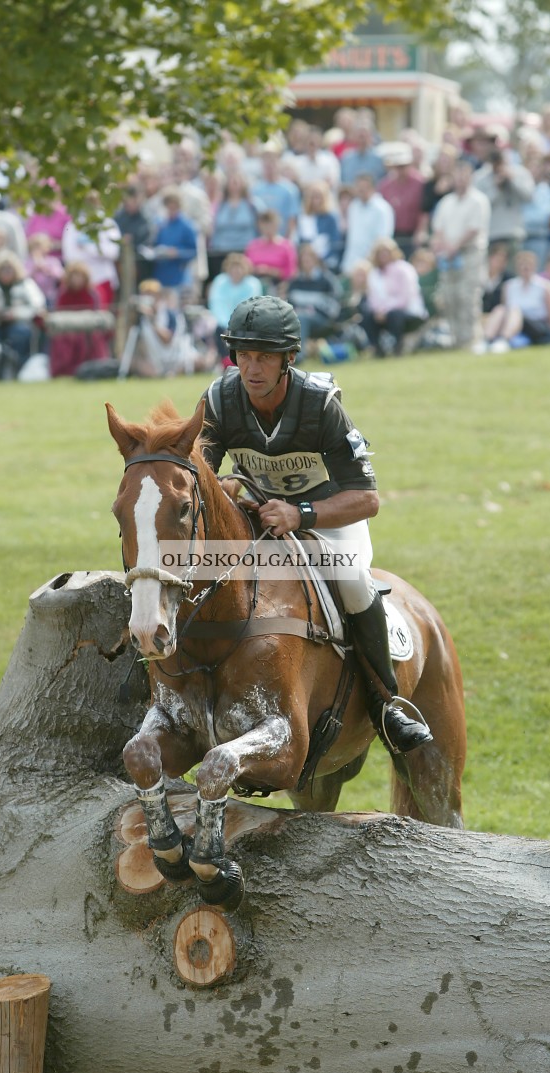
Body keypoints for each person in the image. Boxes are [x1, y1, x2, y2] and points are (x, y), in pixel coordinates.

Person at [200, 294, 432, 755]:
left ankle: (388, 705)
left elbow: (367, 499)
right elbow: (195, 477)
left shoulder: (320, 405)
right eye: (243, 356)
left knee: (350, 580)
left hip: (327, 520)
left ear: (289, 358)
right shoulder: (219, 400)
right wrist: (218, 487)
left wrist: (299, 514)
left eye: (264, 357)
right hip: (261, 519)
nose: (252, 369)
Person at [431, 158, 491, 350]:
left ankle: (471, 340)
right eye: (457, 175)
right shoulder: (446, 202)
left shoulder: (478, 201)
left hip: (470, 253)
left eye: (464, 175)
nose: (461, 180)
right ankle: (455, 340)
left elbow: (474, 229)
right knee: (450, 297)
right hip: (448, 257)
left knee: (468, 297)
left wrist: (453, 246)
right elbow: (438, 228)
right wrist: (443, 246)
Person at [481, 250, 550, 351]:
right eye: (522, 265)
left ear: (534, 266)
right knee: (500, 309)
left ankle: (504, 340)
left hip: (536, 325)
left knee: (515, 311)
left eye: (528, 264)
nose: (525, 268)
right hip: (514, 323)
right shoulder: (509, 286)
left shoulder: (544, 286)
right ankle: (486, 340)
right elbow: (505, 309)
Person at [361, 238, 427, 356]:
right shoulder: (374, 273)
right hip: (382, 313)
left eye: (386, 252)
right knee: (367, 316)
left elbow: (405, 298)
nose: (383, 256)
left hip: (407, 311)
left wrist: (385, 310)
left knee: (394, 315)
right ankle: (377, 349)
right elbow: (372, 298)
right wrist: (378, 311)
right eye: (380, 253)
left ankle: (398, 346)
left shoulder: (404, 269)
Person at [49, 262, 111, 378]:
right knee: (64, 338)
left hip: (88, 328)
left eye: (79, 277)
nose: (77, 280)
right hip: (67, 329)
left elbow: (97, 314)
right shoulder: (63, 294)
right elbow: (59, 314)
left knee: (92, 337)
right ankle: (64, 371)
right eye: (74, 277)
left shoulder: (93, 293)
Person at [286, 243, 342, 360]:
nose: (306, 262)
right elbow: (289, 305)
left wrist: (312, 311)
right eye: (303, 260)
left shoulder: (327, 280)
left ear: (315, 260)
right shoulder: (294, 282)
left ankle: (298, 357)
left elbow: (334, 307)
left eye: (309, 259)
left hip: (322, 320)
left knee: (302, 318)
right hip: (298, 318)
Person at [207, 253, 263, 362]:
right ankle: (224, 361)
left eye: (239, 267)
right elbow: (216, 305)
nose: (236, 271)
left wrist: (234, 324)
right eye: (233, 268)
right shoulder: (220, 281)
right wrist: (226, 324)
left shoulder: (253, 284)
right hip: (222, 324)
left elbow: (251, 307)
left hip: (246, 322)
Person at [340, 173, 395, 277]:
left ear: (373, 188)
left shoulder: (382, 209)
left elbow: (384, 238)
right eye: (359, 187)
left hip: (373, 264)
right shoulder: (353, 206)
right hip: (351, 262)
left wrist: (371, 261)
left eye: (364, 187)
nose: (361, 191)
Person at [244, 210, 297, 293]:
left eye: (271, 225)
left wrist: (271, 271)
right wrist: (257, 269)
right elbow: (246, 267)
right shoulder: (253, 245)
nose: (268, 229)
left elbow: (291, 272)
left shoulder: (286, 246)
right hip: (255, 284)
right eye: (265, 225)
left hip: (279, 286)